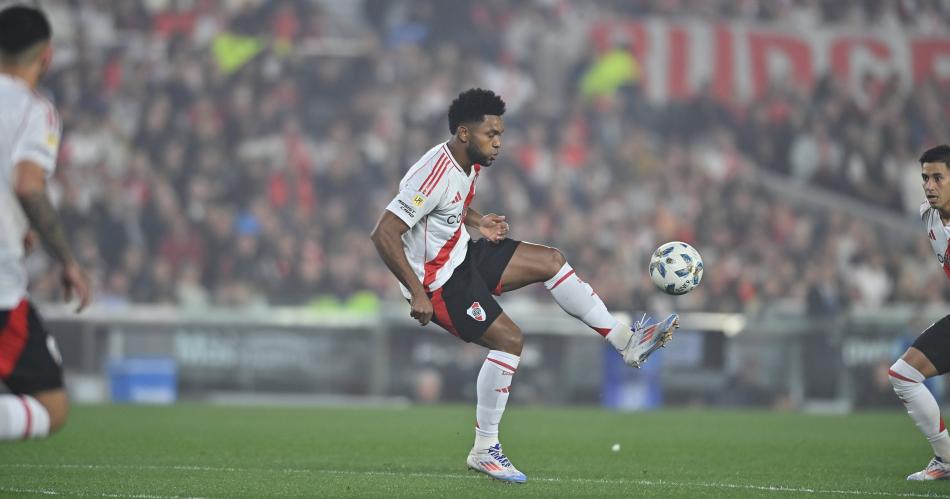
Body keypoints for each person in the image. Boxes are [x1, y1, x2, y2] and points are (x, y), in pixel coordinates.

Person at [370, 88, 677, 483]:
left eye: (500, 134)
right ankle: (484, 449)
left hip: (460, 257)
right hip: (437, 283)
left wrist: (477, 222)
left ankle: (625, 341)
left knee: (551, 260)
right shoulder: (432, 172)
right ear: (464, 133)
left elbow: (451, 207)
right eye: (490, 134)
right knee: (510, 342)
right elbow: (384, 233)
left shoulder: (468, 162)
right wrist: (415, 291)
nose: (498, 142)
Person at [0, 5, 91, 442]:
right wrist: (68, 261)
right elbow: (28, 184)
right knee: (51, 407)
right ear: (47, 55)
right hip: (1, 285)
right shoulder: (33, 110)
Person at [890, 144, 950, 480]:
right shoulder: (927, 215)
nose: (929, 185)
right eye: (925, 177)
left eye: (938, 177)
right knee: (903, 374)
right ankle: (945, 458)